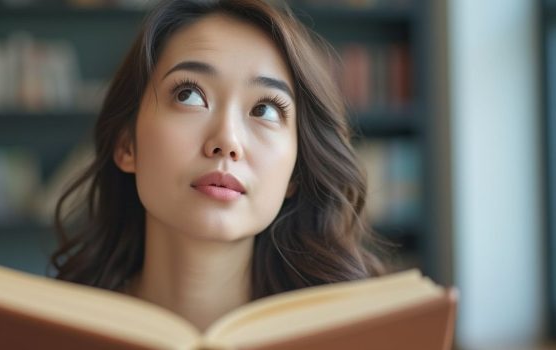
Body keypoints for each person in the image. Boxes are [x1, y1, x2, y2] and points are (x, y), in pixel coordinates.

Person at [51, 0, 387, 331]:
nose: (227, 141)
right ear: (127, 145)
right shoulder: (54, 331)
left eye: (265, 110)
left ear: (295, 173)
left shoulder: (351, 336)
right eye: (188, 95)